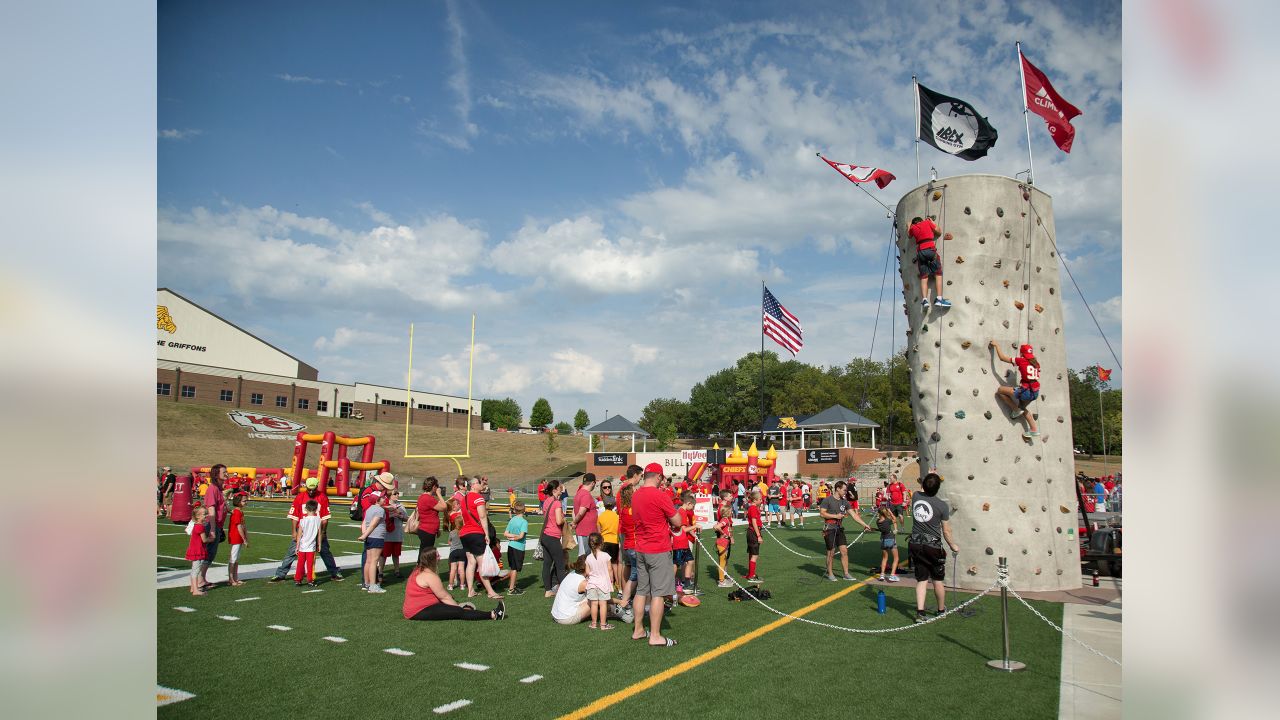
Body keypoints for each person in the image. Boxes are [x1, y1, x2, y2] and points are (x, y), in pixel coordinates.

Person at [631, 463, 683, 647]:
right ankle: (655, 635)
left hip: (641, 547)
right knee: (658, 593)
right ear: (659, 477)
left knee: (641, 590)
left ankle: (638, 629)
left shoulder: (636, 495)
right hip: (658, 549)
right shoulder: (660, 495)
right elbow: (678, 520)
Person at [268, 476, 345, 584]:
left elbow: (325, 518)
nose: (311, 491)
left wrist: (323, 532)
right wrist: (294, 531)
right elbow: (294, 516)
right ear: (306, 487)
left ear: (317, 487)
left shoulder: (322, 497)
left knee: (325, 551)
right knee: (291, 552)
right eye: (309, 489)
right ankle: (281, 574)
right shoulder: (300, 497)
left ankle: (334, 572)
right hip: (302, 531)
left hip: (317, 531)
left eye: (313, 489)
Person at [909, 472, 960, 622]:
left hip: (916, 544)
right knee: (937, 580)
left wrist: (930, 475)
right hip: (933, 547)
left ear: (924, 485)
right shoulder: (942, 506)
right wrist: (953, 545)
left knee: (922, 580)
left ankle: (920, 612)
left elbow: (923, 486)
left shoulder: (916, 496)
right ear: (938, 488)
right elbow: (946, 530)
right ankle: (940, 610)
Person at [404, 548, 505, 622]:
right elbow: (444, 597)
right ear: (432, 560)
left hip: (414, 608)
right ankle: (494, 614)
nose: (440, 558)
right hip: (419, 610)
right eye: (437, 556)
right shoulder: (430, 576)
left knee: (453, 603)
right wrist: (458, 607)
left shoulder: (417, 570)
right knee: (459, 612)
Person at [819, 480, 875, 581]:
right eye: (844, 490)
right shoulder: (827, 500)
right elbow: (822, 513)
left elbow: (854, 515)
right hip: (829, 529)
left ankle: (846, 574)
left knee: (844, 551)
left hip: (839, 529)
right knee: (831, 552)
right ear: (838, 489)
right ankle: (830, 574)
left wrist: (865, 525)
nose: (846, 492)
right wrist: (836, 516)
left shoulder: (844, 502)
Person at [459, 476, 500, 600]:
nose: (482, 485)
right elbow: (482, 516)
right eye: (479, 483)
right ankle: (490, 591)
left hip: (464, 533)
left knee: (471, 563)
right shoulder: (478, 498)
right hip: (475, 533)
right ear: (473, 485)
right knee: (482, 564)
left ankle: (470, 590)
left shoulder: (463, 499)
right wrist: (486, 534)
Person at [990, 341, 1042, 438]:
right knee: (1023, 408)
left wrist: (997, 345)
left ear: (1022, 353)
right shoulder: (1036, 363)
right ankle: (1034, 429)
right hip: (1035, 392)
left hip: (1025, 391)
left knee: (1000, 390)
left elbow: (1002, 358)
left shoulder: (1021, 360)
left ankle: (1015, 409)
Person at [198, 464, 228, 591]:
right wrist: (212, 529)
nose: (227, 474)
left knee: (211, 552)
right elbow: (211, 510)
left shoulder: (218, 489)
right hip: (212, 524)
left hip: (216, 524)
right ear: (216, 474)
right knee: (210, 552)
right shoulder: (213, 489)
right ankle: (200, 580)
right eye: (224, 472)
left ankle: (202, 578)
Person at [909, 215, 950, 308]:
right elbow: (939, 232)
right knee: (938, 274)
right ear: (921, 221)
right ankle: (939, 299)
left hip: (920, 252)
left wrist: (909, 226)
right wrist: (932, 222)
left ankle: (924, 300)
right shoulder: (927, 222)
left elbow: (909, 235)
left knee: (924, 277)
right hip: (930, 249)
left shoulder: (913, 228)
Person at [539, 479, 568, 598]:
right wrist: (564, 519)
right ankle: (565, 591)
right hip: (553, 536)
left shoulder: (546, 501)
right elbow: (558, 521)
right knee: (560, 564)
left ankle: (548, 590)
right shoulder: (557, 503)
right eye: (560, 488)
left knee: (547, 563)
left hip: (545, 535)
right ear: (555, 489)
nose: (562, 491)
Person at [358, 494, 389, 593]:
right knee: (374, 561)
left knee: (368, 560)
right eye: (382, 498)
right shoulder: (380, 510)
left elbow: (364, 523)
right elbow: (373, 524)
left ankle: (366, 584)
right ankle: (373, 586)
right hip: (376, 536)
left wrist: (365, 534)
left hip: (370, 537)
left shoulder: (369, 508)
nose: (384, 499)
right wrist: (364, 535)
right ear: (377, 500)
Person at [584, 533, 614, 630]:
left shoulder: (588, 557)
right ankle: (603, 625)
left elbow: (587, 572)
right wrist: (611, 579)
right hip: (603, 584)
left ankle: (593, 624)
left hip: (592, 584)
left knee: (593, 604)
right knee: (603, 604)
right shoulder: (606, 556)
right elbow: (610, 569)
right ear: (601, 543)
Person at [617, 484, 638, 612]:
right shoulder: (632, 510)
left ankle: (625, 600)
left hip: (629, 545)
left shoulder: (623, 510)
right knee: (636, 575)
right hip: (636, 545)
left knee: (635, 574)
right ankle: (626, 601)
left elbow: (624, 529)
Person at [671, 492, 696, 597]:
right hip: (679, 542)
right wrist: (696, 526)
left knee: (690, 561)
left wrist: (693, 534)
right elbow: (684, 528)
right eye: (692, 506)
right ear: (689, 503)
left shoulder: (682, 511)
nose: (692, 509)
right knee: (676, 564)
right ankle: (670, 583)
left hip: (683, 542)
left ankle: (687, 582)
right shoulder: (682, 512)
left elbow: (687, 526)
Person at [186, 506, 213, 596]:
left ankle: (193, 588)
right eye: (204, 514)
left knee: (194, 570)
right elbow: (204, 540)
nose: (206, 516)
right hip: (198, 550)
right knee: (196, 571)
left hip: (196, 549)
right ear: (197, 516)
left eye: (206, 513)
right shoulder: (199, 526)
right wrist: (211, 538)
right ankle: (195, 590)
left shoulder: (197, 525)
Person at [413, 476, 447, 549]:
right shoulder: (428, 498)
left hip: (425, 529)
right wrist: (439, 494)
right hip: (428, 530)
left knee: (424, 552)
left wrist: (437, 529)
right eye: (436, 486)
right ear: (433, 487)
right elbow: (444, 507)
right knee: (426, 553)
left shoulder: (422, 497)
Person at [504, 501, 529, 595]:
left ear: (514, 510)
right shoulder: (524, 522)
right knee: (515, 568)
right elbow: (521, 536)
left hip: (510, 546)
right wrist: (515, 537)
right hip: (518, 547)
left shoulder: (512, 520)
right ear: (524, 510)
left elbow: (505, 533)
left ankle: (512, 586)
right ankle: (511, 589)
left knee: (512, 567)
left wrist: (511, 537)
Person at [573, 474, 599, 559]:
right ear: (592, 483)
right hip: (585, 532)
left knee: (587, 557)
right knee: (584, 557)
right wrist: (574, 522)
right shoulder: (586, 495)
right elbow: (581, 512)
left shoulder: (579, 493)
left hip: (584, 531)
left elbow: (574, 511)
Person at [597, 496, 620, 591]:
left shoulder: (601, 516)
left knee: (604, 564)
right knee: (615, 564)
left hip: (604, 541)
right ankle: (618, 583)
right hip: (614, 541)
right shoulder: (616, 516)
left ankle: (605, 583)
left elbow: (599, 531)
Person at [295, 500, 321, 587]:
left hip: (302, 546)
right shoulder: (318, 520)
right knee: (310, 565)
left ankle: (298, 580)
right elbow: (319, 534)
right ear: (316, 509)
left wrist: (297, 546)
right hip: (311, 547)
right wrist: (319, 545)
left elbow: (299, 535)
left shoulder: (302, 520)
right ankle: (310, 580)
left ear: (305, 509)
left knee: (300, 564)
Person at [381, 492, 407, 579]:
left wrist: (401, 516)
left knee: (396, 554)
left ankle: (397, 571)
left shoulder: (401, 506)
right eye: (394, 494)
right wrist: (392, 515)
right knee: (383, 554)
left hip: (397, 533)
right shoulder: (384, 505)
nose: (397, 496)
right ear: (389, 496)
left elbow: (406, 518)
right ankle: (380, 572)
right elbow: (381, 518)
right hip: (387, 534)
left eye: (397, 494)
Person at [227, 494, 249, 586]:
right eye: (244, 501)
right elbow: (238, 526)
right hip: (236, 537)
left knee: (236, 559)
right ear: (238, 502)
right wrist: (244, 538)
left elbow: (243, 526)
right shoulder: (237, 512)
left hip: (239, 537)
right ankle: (231, 579)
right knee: (233, 558)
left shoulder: (240, 512)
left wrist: (245, 537)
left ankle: (235, 577)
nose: (246, 502)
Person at [715, 490, 735, 588]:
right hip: (723, 539)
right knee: (722, 559)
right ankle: (721, 579)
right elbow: (718, 525)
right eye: (730, 495)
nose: (732, 497)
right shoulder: (722, 510)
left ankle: (723, 576)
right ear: (725, 498)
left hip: (725, 537)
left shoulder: (725, 510)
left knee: (725, 558)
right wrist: (724, 534)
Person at [876, 505, 900, 582]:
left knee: (884, 558)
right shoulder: (887, 520)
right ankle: (892, 575)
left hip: (883, 540)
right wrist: (890, 512)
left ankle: (882, 575)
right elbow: (894, 519)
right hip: (890, 539)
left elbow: (881, 529)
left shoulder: (878, 522)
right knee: (896, 558)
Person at [745, 490, 764, 583]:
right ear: (755, 500)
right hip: (753, 533)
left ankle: (750, 573)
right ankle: (751, 576)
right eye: (760, 499)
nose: (761, 501)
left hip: (752, 532)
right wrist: (759, 535)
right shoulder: (752, 508)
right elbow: (754, 522)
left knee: (752, 554)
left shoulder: (754, 507)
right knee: (755, 555)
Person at [446, 503, 465, 590]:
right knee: (461, 569)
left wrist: (453, 544)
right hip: (462, 551)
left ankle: (450, 585)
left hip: (453, 551)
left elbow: (449, 542)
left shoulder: (452, 532)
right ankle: (462, 585)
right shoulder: (463, 532)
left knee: (453, 569)